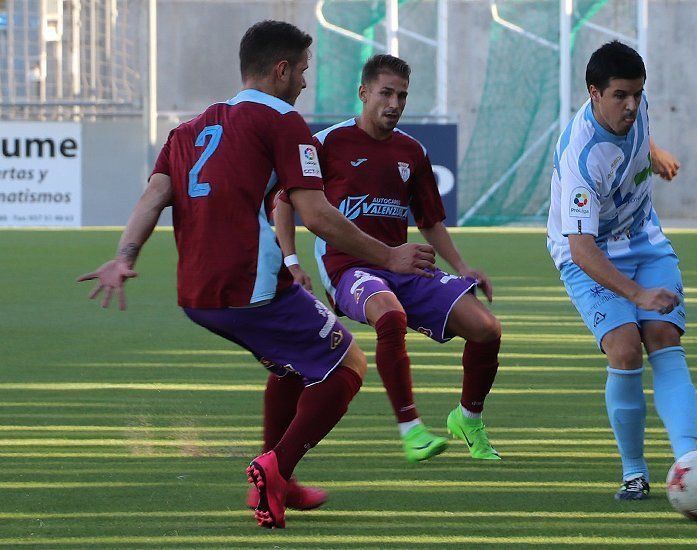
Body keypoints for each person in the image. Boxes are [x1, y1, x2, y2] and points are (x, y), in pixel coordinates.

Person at [76, 21, 435, 529]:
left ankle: (275, 485)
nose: (306, 83)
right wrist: (391, 256)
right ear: (281, 69)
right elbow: (317, 214)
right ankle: (274, 468)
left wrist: (124, 256)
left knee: (292, 362)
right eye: (303, 71)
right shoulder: (284, 122)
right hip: (252, 285)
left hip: (198, 296)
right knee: (347, 365)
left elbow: (154, 196)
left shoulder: (189, 128)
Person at [274, 54, 502, 463]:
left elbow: (430, 221)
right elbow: (284, 203)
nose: (394, 104)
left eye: (402, 96)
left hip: (402, 264)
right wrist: (291, 261)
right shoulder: (327, 144)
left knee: (487, 328)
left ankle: (468, 417)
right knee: (389, 314)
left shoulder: (412, 152)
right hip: (347, 268)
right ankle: (411, 429)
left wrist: (462, 267)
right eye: (385, 93)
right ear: (363, 93)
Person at [545, 41, 697, 500]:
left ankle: (688, 464)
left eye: (637, 94)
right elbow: (582, 248)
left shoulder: (635, 103)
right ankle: (635, 473)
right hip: (587, 254)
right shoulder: (582, 155)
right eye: (619, 96)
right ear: (594, 93)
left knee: (664, 338)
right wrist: (637, 295)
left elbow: (637, 128)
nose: (631, 104)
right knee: (626, 350)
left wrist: (654, 151)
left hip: (644, 241)